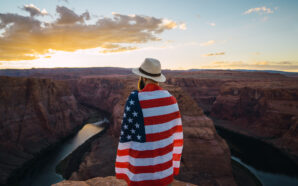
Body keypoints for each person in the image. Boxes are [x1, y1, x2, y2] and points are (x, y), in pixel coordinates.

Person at [115, 58, 184, 186]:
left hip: (140, 173)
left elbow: (127, 136)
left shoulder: (135, 99)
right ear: (158, 78)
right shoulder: (172, 100)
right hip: (164, 172)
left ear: (143, 77)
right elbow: (177, 134)